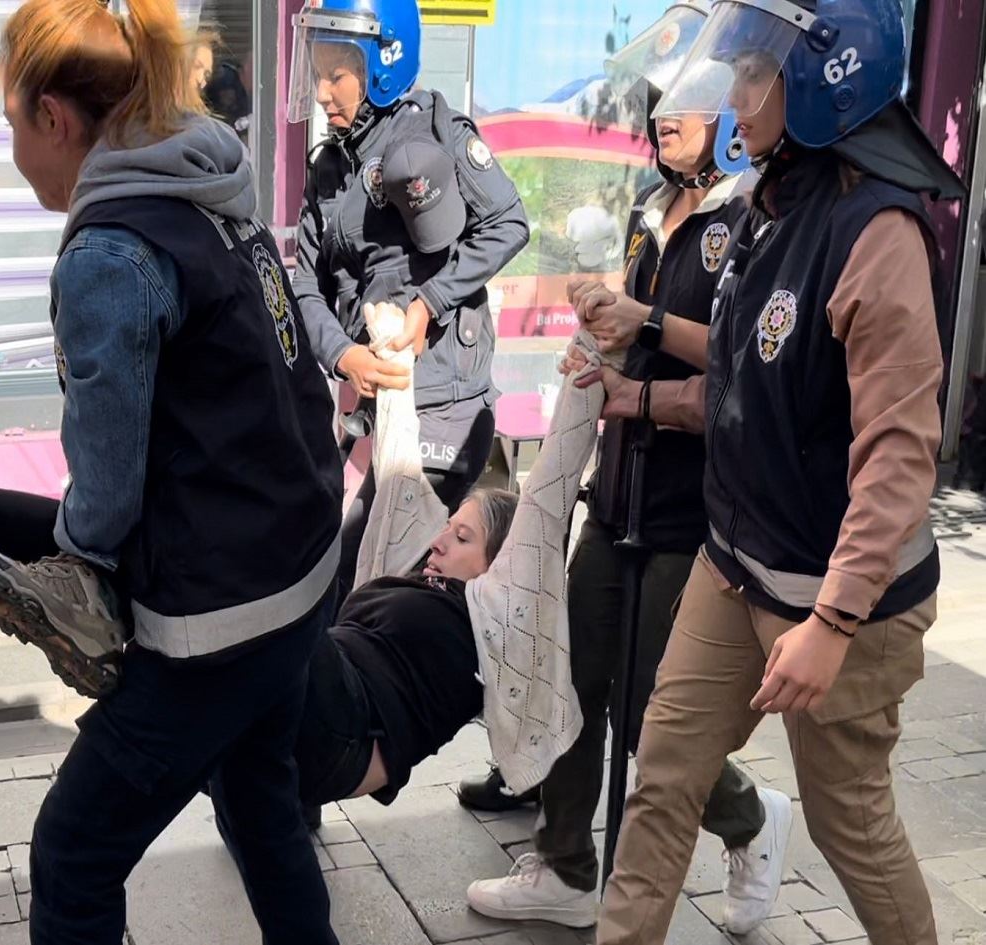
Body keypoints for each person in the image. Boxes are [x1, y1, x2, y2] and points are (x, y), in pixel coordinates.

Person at [566, 1, 965, 941]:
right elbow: (746, 370)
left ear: (824, 85)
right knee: (663, 777)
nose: (733, 97)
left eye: (753, 75)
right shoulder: (771, 201)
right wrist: (638, 371)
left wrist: (832, 622)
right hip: (738, 560)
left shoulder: (876, 234)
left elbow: (898, 455)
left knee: (848, 821)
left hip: (844, 601)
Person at [0, 0, 345, 940]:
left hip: (214, 620)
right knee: (261, 805)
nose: (12, 149)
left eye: (11, 124)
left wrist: (76, 558)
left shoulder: (110, 250)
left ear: (55, 118)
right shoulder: (209, 186)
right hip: (298, 574)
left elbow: (105, 476)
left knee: (74, 851)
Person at [461, 4, 786, 934]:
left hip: (692, 518)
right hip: (615, 501)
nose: (664, 116)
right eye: (659, 100)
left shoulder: (752, 220)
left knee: (654, 719)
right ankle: (566, 863)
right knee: (571, 677)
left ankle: (751, 818)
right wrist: (600, 333)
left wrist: (635, 381)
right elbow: (635, 342)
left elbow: (740, 374)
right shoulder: (651, 210)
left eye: (689, 99)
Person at [288, 0, 530, 594]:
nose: (322, 93)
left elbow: (508, 223)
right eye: (316, 74)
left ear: (383, 63)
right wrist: (342, 354)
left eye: (336, 75)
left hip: (444, 405)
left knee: (369, 584)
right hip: (381, 406)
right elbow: (305, 283)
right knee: (346, 575)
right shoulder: (331, 165)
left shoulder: (435, 134)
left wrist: (430, 303)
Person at [296, 486, 517, 807]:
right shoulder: (429, 586)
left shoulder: (480, 627)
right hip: (327, 694)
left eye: (462, 538)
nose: (437, 543)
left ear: (500, 566)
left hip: (351, 724)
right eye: (447, 528)